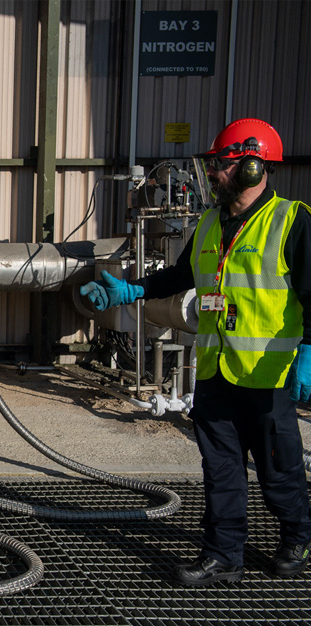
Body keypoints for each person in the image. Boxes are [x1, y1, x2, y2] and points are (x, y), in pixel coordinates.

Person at [80, 118, 311, 586]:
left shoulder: (293, 220)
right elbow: (180, 277)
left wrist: (309, 352)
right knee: (221, 470)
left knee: (278, 468)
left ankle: (296, 537)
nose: (213, 177)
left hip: (269, 375)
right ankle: (224, 555)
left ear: (252, 166)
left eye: (221, 167)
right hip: (216, 371)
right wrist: (130, 291)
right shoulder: (210, 223)